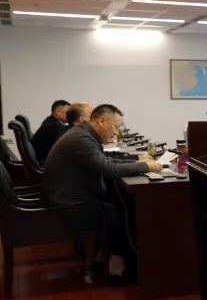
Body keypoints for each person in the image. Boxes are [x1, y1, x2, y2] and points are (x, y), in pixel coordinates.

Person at [41, 104, 162, 283]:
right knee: (121, 209)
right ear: (102, 121)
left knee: (121, 201)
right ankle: (119, 270)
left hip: (69, 193)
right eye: (116, 126)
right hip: (68, 203)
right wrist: (146, 166)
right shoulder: (81, 138)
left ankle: (105, 259)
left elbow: (103, 160)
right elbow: (109, 169)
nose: (116, 132)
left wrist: (137, 159)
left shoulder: (83, 134)